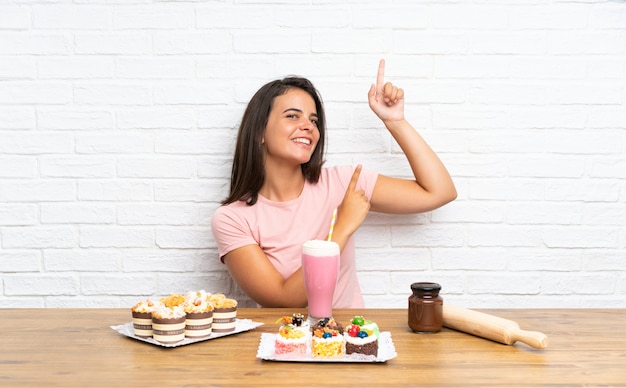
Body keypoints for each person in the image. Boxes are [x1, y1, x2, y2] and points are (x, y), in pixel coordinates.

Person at [211, 59, 456, 308]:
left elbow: (439, 192)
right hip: (287, 344)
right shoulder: (232, 219)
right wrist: (342, 227)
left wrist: (395, 121)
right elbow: (283, 299)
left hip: (351, 342)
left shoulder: (342, 183)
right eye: (293, 116)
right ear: (258, 132)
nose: (308, 126)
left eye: (314, 120)